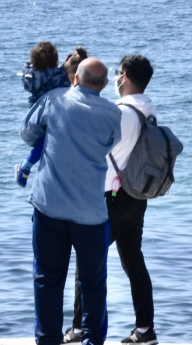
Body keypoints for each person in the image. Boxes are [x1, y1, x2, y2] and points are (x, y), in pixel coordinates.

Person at [20, 58, 122, 345]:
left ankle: (48, 341)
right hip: (90, 212)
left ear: (74, 78)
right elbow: (112, 143)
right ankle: (92, 342)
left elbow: (27, 133)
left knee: (47, 280)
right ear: (103, 85)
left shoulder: (53, 99)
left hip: (49, 206)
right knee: (93, 284)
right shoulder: (112, 114)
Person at [65, 55, 160, 345]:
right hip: (136, 195)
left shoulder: (121, 111)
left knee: (87, 258)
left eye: (119, 72)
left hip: (111, 196)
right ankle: (145, 330)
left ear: (126, 77)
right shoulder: (148, 110)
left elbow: (95, 147)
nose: (116, 77)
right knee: (133, 260)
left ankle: (81, 328)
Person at [15, 42, 74, 188]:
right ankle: (25, 166)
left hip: (36, 112)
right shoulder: (58, 74)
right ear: (55, 60)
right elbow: (67, 87)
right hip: (53, 112)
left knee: (44, 142)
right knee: (47, 143)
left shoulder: (29, 74)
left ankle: (25, 168)